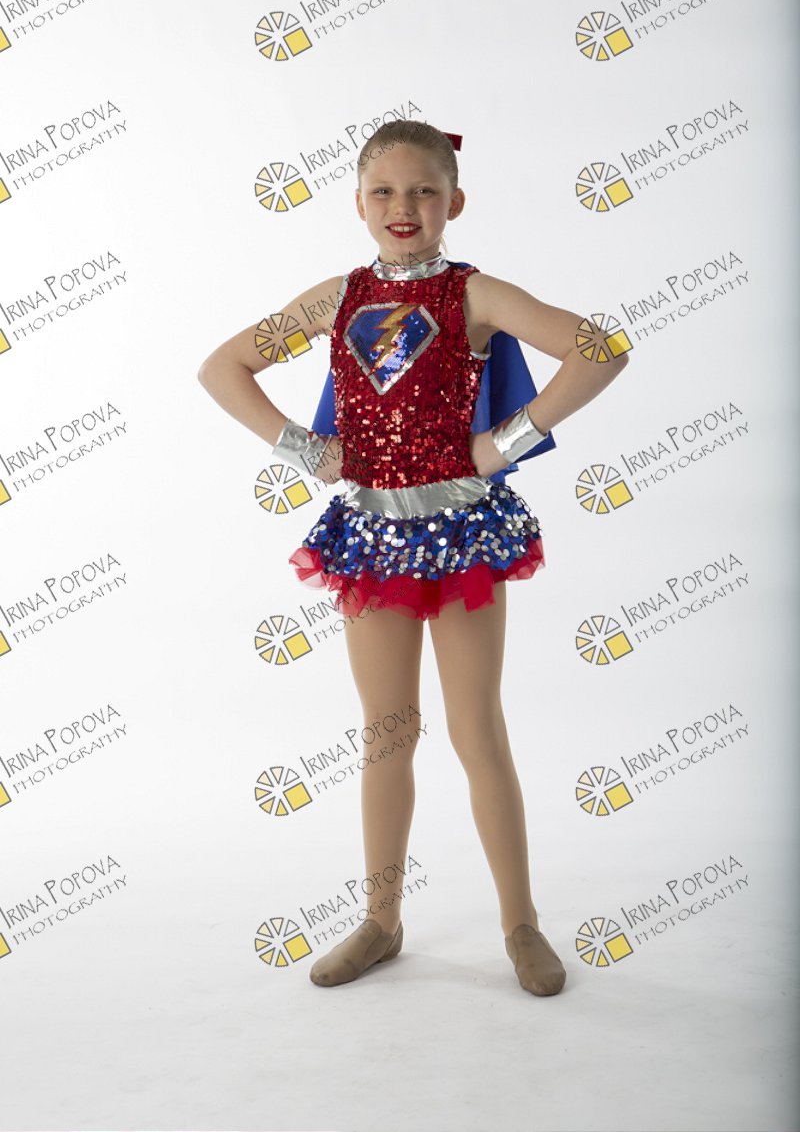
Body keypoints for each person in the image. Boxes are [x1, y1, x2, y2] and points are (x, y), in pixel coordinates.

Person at [197, 119, 629, 997]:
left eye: (425, 190)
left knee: (476, 729)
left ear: (454, 202)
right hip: (370, 537)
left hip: (461, 537)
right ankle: (381, 920)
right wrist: (305, 449)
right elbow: (222, 367)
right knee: (387, 733)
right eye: (385, 191)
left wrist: (503, 442)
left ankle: (521, 923)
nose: (405, 206)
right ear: (358, 204)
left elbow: (600, 347)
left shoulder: (473, 295)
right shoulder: (335, 299)